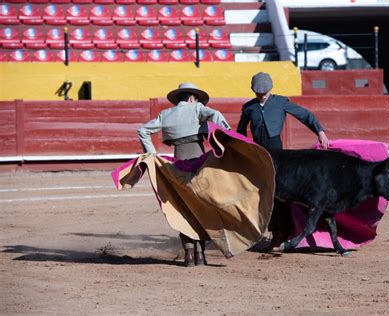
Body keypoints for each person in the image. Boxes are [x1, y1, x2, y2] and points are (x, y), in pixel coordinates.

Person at [137, 82, 231, 267]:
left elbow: (142, 130)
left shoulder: (166, 114)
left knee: (184, 207)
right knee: (203, 206)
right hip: (198, 162)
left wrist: (151, 155)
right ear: (191, 98)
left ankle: (188, 253)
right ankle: (200, 253)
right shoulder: (197, 108)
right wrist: (228, 137)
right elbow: (216, 115)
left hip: (178, 163)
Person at [236, 72, 330, 250]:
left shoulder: (280, 102)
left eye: (264, 91)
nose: (262, 94)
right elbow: (240, 132)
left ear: (270, 89)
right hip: (258, 155)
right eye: (258, 92)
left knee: (281, 195)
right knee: (264, 195)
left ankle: (283, 233)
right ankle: (272, 231)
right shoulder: (249, 107)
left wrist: (320, 132)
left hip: (279, 155)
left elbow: (305, 115)